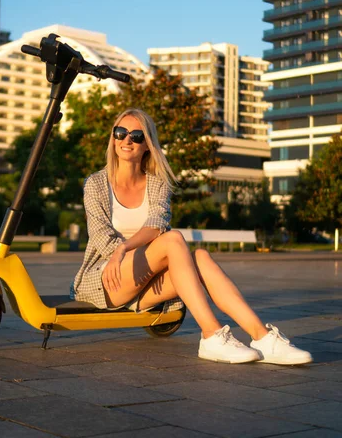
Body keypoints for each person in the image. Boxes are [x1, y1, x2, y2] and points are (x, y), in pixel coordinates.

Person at [71, 108, 312, 365]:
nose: (126, 140)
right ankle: (211, 335)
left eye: (136, 135)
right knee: (174, 239)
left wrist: (127, 247)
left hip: (145, 282)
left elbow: (157, 223)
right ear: (113, 138)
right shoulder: (95, 183)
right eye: (120, 133)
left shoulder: (157, 183)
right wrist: (121, 251)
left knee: (200, 258)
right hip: (107, 278)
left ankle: (262, 338)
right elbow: (101, 237)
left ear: (148, 145)